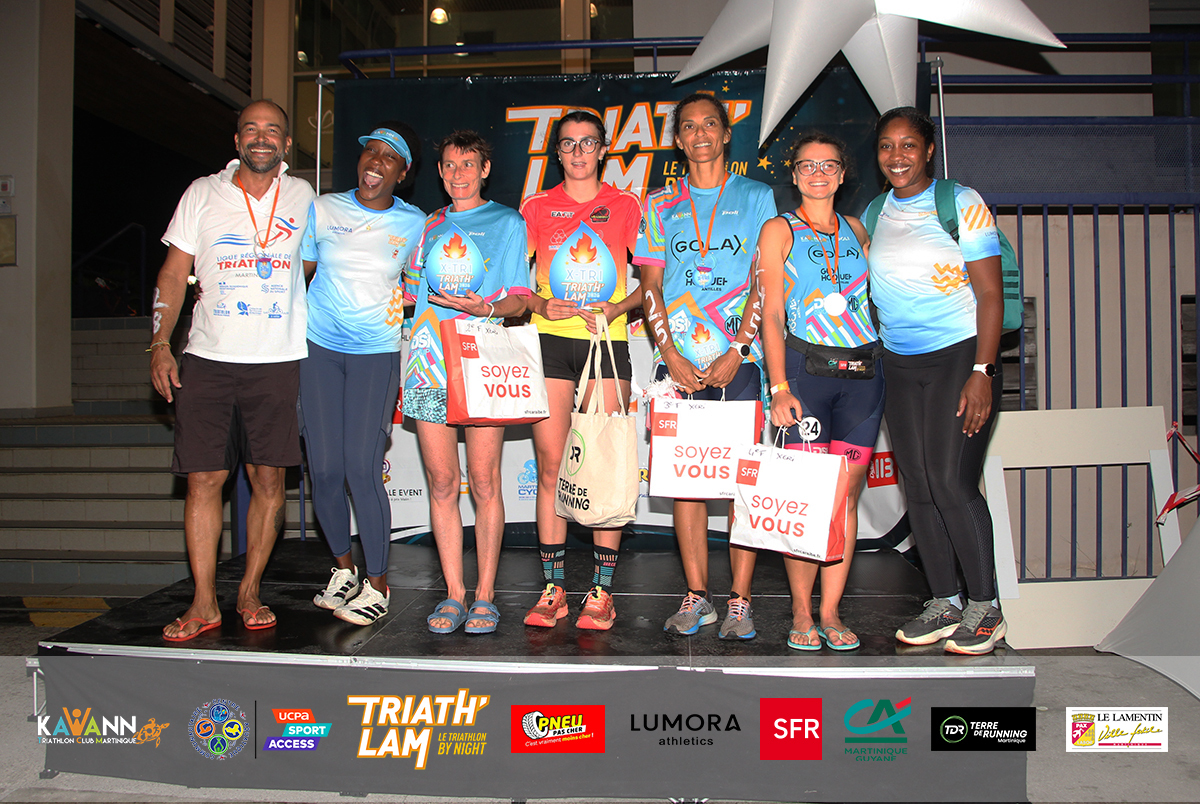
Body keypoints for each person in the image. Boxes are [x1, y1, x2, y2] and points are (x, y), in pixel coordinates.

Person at [150, 100, 315, 641]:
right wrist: (159, 343)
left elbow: (314, 264)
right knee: (204, 480)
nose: (261, 138)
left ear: (285, 144)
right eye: (251, 129)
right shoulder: (202, 194)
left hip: (277, 360)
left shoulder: (304, 196)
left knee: (268, 480)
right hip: (208, 358)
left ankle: (248, 590)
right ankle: (204, 601)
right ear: (237, 140)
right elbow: (173, 273)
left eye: (272, 130)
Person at [634, 93, 776, 639]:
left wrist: (738, 348)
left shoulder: (757, 196)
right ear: (678, 139)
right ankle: (698, 595)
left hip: (740, 358)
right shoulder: (658, 203)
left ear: (725, 134)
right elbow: (650, 287)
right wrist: (668, 354)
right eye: (689, 126)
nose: (699, 134)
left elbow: (765, 279)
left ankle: (740, 599)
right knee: (685, 481)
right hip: (678, 364)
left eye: (709, 124)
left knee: (744, 480)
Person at [867, 106, 1007, 655]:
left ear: (928, 150)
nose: (897, 155)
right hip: (900, 362)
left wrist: (983, 371)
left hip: (959, 356)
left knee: (951, 481)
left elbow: (990, 293)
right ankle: (945, 601)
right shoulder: (876, 210)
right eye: (886, 145)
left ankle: (985, 608)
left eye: (908, 145)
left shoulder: (960, 202)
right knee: (919, 486)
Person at [402, 130, 532, 635]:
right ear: (439, 172)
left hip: (481, 359)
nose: (458, 174)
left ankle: (485, 594)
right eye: (450, 165)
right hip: (429, 361)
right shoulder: (429, 226)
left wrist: (487, 308)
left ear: (485, 170)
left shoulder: (507, 222)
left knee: (483, 481)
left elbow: (520, 299)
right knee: (441, 483)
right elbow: (411, 294)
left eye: (468, 164)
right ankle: (454, 592)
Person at [757, 132, 883, 651]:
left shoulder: (857, 229)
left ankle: (831, 611)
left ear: (842, 174)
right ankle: (802, 611)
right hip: (805, 375)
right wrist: (778, 386)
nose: (817, 174)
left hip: (863, 377)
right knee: (808, 496)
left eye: (828, 165)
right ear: (794, 175)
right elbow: (769, 313)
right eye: (807, 166)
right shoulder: (779, 229)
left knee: (846, 497)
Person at [519, 111, 643, 631]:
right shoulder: (535, 207)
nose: (577, 152)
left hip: (605, 343)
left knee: (602, 468)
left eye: (587, 142)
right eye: (567, 143)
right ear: (556, 151)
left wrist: (617, 309)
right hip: (549, 343)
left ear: (603, 148)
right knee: (551, 467)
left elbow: (650, 285)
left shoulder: (626, 205)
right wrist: (540, 305)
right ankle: (554, 589)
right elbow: (517, 286)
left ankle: (601, 591)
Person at [301, 123, 426, 626]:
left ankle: (378, 583)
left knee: (361, 467)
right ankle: (343, 570)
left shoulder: (415, 223)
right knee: (324, 469)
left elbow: (422, 287)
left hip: (375, 354)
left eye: (388, 156)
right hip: (317, 350)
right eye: (370, 151)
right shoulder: (323, 208)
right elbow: (299, 275)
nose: (375, 161)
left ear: (403, 172)